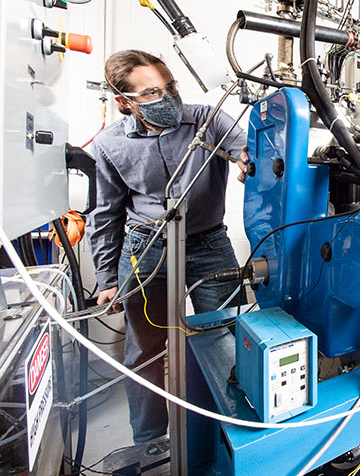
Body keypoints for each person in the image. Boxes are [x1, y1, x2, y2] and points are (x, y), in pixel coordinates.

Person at [88, 50, 249, 445]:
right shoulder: (110, 144)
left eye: (171, 86)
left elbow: (251, 147)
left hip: (209, 243)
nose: (168, 97)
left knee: (228, 337)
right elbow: (105, 214)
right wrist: (108, 277)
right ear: (123, 101)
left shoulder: (208, 120)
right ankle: (148, 439)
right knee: (144, 350)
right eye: (152, 93)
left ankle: (229, 433)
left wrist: (252, 159)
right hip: (145, 249)